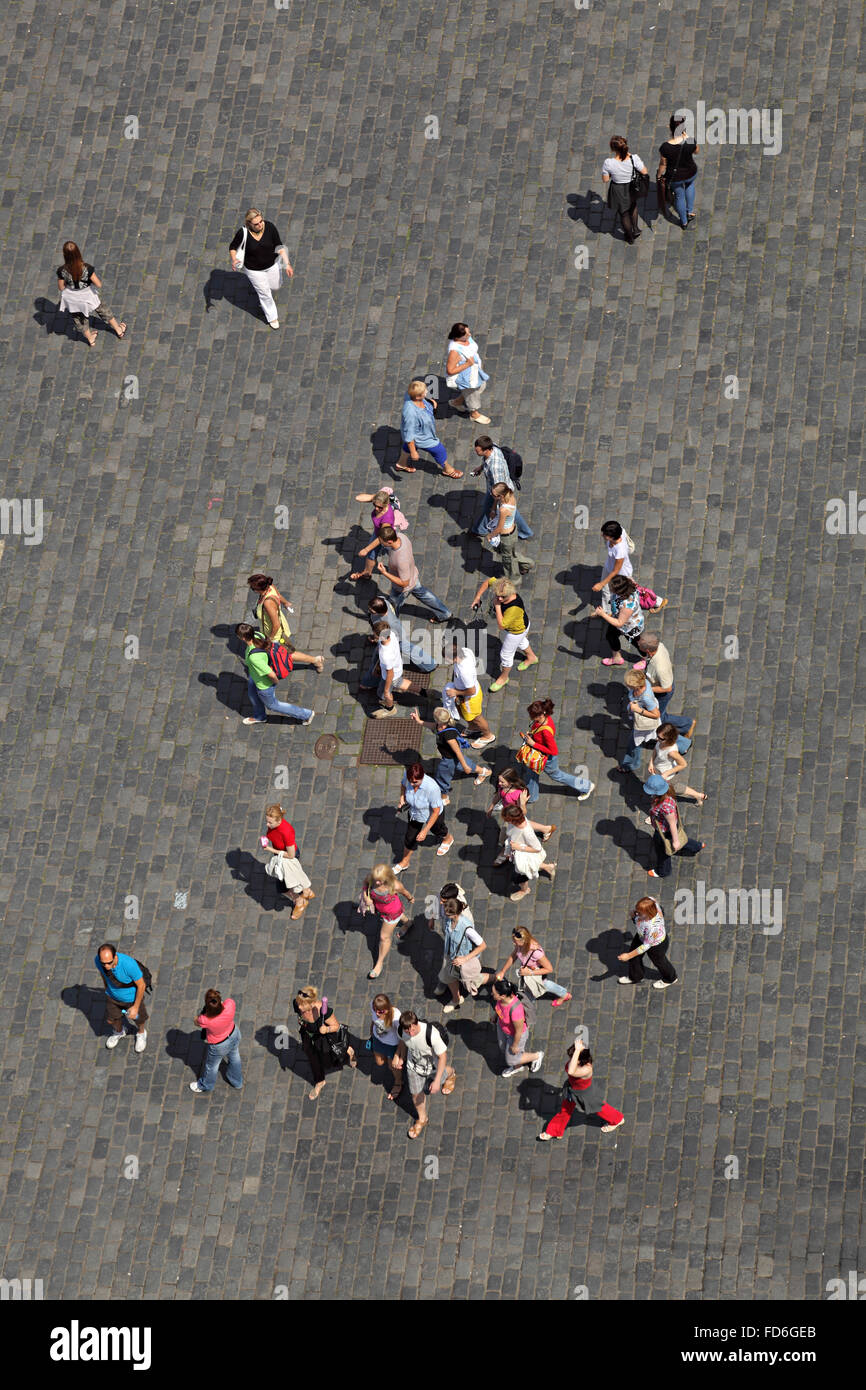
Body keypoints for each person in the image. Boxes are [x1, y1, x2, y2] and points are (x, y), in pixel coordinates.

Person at [537, 1045, 624, 1140]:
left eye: (573, 1056)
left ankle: (617, 1119)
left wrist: (577, 1050)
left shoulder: (587, 1069)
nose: (571, 1059)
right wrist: (578, 1048)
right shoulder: (578, 1062)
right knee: (565, 1110)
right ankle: (555, 1131)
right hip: (572, 1090)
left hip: (585, 1095)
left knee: (599, 1108)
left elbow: (571, 1071)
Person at [516, 698, 594, 803]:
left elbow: (553, 751)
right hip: (539, 754)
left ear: (541, 715)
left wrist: (533, 743)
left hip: (547, 759)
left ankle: (586, 786)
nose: (531, 718)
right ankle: (531, 796)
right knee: (531, 771)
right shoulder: (543, 720)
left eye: (533, 716)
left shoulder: (546, 732)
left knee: (557, 775)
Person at [234, 624, 315, 726]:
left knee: (273, 705)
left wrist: (274, 683)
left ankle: (306, 715)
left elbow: (271, 675)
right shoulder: (258, 635)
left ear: (243, 638)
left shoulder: (254, 658)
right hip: (255, 677)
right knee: (252, 694)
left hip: (264, 685)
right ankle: (260, 716)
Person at [469, 577, 538, 691]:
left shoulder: (514, 607)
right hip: (521, 625)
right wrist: (477, 597)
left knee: (505, 655)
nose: (499, 598)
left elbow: (501, 625)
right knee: (521, 642)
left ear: (510, 593)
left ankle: (503, 677)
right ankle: (531, 657)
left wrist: (497, 605)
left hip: (516, 631)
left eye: (503, 597)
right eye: (497, 595)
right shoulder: (501, 586)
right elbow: (487, 582)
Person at [229, 208, 293, 329]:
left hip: (272, 264)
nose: (260, 225)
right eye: (256, 224)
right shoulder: (243, 233)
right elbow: (233, 247)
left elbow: (279, 246)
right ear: (249, 224)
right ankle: (272, 317)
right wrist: (234, 259)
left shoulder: (269, 227)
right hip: (254, 270)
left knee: (276, 286)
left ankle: (267, 285)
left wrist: (287, 264)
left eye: (261, 221)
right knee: (265, 294)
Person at [409, 706, 492, 799]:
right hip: (451, 756)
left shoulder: (449, 737)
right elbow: (432, 726)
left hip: (449, 759)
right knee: (460, 763)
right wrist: (419, 721)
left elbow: (457, 751)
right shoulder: (440, 725)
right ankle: (483, 772)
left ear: (439, 721)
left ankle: (444, 797)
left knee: (442, 777)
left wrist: (465, 766)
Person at [397, 1012, 456, 1139]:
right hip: (413, 1067)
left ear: (416, 1023)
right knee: (416, 1094)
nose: (411, 1034)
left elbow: (442, 1057)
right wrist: (399, 1056)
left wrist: (437, 1080)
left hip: (433, 1068)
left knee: (443, 1075)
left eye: (412, 1030)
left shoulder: (431, 1034)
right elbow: (403, 1042)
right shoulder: (402, 1031)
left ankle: (451, 1074)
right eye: (407, 1031)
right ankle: (422, 1118)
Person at [247, 574, 323, 671]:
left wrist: (269, 639)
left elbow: (276, 624)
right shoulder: (270, 587)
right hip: (271, 631)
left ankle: (316, 660)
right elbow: (278, 596)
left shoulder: (267, 603)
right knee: (283, 653)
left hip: (276, 636)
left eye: (253, 588)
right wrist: (286, 603)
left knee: (288, 654)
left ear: (259, 589)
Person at [376, 526, 452, 623]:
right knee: (423, 593)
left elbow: (404, 583)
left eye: (382, 542)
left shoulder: (401, 560)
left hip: (402, 589)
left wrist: (385, 573)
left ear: (389, 542)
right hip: (413, 575)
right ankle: (445, 613)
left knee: (393, 605)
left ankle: (390, 626)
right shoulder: (401, 536)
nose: (381, 544)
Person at [56, 241, 126, 346]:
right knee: (102, 310)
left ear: (65, 255)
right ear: (78, 253)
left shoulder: (62, 271)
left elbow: (61, 287)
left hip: (73, 299)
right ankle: (118, 330)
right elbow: (98, 284)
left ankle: (90, 339)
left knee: (79, 319)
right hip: (88, 295)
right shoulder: (87, 268)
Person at [293, 986, 356, 1101]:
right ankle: (320, 1081)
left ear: (311, 1004)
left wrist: (326, 1029)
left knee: (332, 1056)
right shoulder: (297, 1004)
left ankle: (349, 1051)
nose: (299, 1007)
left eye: (302, 1005)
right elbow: (299, 1015)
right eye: (299, 1003)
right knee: (312, 1057)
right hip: (308, 1035)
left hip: (324, 1038)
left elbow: (336, 1026)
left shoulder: (323, 1010)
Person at [393, 762, 455, 871]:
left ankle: (448, 839)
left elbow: (435, 812)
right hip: (415, 813)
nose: (411, 784)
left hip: (432, 815)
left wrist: (425, 831)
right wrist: (402, 798)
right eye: (410, 781)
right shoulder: (408, 777)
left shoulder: (432, 788)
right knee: (410, 837)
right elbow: (403, 784)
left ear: (422, 777)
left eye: (415, 782)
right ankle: (405, 861)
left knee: (438, 830)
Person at [490, 926, 572, 1006]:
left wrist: (530, 972)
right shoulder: (519, 945)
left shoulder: (536, 953)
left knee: (545, 985)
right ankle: (528, 1002)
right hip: (527, 974)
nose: (513, 943)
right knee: (532, 990)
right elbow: (514, 955)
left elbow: (549, 969)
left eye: (515, 942)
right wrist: (503, 971)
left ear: (524, 941)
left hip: (536, 975)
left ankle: (564, 995)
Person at [396, 379, 463, 478]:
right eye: (424, 392)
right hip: (422, 437)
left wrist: (429, 403)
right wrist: (414, 452)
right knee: (439, 450)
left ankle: (401, 464)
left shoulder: (411, 395)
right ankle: (448, 470)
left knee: (408, 447)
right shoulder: (411, 414)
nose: (427, 392)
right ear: (418, 396)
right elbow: (409, 435)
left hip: (422, 431)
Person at [643, 774, 706, 878]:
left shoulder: (666, 807)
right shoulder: (666, 789)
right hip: (664, 827)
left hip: (664, 830)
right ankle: (697, 846)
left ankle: (663, 871)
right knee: (681, 840)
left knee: (663, 850)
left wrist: (676, 841)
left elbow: (672, 823)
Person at [469, 437, 532, 539]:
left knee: (506, 510)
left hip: (499, 491)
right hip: (496, 489)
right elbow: (487, 461)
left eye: (478, 451)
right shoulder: (492, 446)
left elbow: (499, 489)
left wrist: (494, 506)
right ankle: (480, 529)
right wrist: (481, 468)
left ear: (486, 450)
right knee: (492, 508)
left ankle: (480, 530)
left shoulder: (495, 469)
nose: (476, 452)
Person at [360, 864, 415, 978]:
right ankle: (408, 922)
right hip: (381, 909)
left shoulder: (395, 885)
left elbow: (405, 892)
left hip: (392, 913)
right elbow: (365, 883)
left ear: (387, 878)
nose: (376, 883)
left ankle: (379, 963)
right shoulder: (372, 877)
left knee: (384, 937)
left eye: (379, 881)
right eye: (375, 880)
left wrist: (410, 898)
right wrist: (366, 897)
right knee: (400, 918)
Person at [433, 896, 487, 1012]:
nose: (445, 916)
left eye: (448, 915)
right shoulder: (450, 919)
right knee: (448, 976)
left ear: (455, 914)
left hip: (464, 961)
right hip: (450, 957)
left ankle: (495, 978)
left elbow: (482, 945)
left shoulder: (467, 928)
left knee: (476, 980)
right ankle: (456, 999)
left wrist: (465, 959)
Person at [262, 803, 316, 920]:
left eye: (270, 822)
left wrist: (270, 849)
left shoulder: (286, 831)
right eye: (267, 821)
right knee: (293, 879)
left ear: (278, 820)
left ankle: (300, 902)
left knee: (283, 888)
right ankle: (306, 891)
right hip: (280, 856)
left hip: (287, 858)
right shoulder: (274, 825)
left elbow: (291, 855)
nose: (267, 824)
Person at [487, 769, 555, 860]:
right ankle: (547, 829)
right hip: (508, 813)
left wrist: (522, 803)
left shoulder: (518, 794)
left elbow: (522, 813)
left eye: (502, 781)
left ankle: (505, 852)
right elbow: (499, 796)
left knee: (503, 837)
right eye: (499, 781)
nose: (499, 783)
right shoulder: (503, 787)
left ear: (510, 782)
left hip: (513, 816)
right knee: (525, 823)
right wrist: (491, 807)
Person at [635, 632, 695, 734]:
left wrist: (646, 689)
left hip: (662, 692)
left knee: (659, 716)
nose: (638, 645)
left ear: (648, 650)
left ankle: (687, 724)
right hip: (656, 683)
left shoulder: (660, 668)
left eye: (639, 645)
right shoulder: (659, 646)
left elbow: (667, 688)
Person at [441, 638, 495, 749]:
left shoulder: (464, 671)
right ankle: (473, 727)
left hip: (470, 699)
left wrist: (455, 692)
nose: (445, 660)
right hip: (466, 693)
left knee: (476, 718)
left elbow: (471, 690)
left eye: (446, 658)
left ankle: (488, 735)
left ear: (455, 657)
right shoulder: (465, 651)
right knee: (466, 714)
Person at [95, 944, 148, 1053]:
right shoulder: (98, 961)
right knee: (111, 1019)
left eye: (109, 962)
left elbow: (141, 985)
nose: (106, 966)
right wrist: (107, 989)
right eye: (103, 963)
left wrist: (136, 1007)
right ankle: (119, 1032)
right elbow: (103, 975)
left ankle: (141, 1033)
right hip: (112, 997)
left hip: (131, 999)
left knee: (139, 1019)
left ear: (115, 957)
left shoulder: (128, 965)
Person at [617, 894, 678, 987]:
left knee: (660, 962)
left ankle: (671, 978)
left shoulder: (652, 928)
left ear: (649, 914)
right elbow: (652, 898)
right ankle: (635, 976)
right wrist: (635, 915)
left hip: (655, 945)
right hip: (642, 936)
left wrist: (628, 956)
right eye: (637, 911)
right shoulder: (651, 901)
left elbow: (645, 946)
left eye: (639, 913)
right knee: (635, 956)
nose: (637, 913)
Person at [189, 989, 243, 1094]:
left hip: (219, 1045)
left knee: (212, 1066)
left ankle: (205, 1085)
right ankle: (237, 1082)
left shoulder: (205, 1020)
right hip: (234, 1034)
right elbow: (227, 1002)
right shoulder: (230, 1005)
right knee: (235, 1057)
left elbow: (196, 1020)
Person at [491, 979, 544, 1078]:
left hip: (514, 1035)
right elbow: (499, 1007)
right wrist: (495, 1015)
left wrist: (515, 1045)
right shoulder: (501, 999)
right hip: (503, 1027)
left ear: (502, 996)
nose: (491, 994)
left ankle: (536, 1056)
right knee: (503, 1048)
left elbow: (518, 1031)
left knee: (511, 1059)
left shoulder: (516, 1010)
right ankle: (518, 1066)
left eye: (494, 994)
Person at [501, 805, 556, 901]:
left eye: (507, 820)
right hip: (517, 851)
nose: (506, 821)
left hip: (523, 856)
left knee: (520, 876)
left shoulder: (526, 832)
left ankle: (524, 890)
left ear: (514, 820)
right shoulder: (521, 820)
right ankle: (549, 867)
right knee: (531, 866)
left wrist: (519, 847)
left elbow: (537, 848)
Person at [349, 488, 405, 582]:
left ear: (386, 504)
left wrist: (366, 549)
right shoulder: (380, 501)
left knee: (394, 556)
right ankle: (366, 574)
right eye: (374, 505)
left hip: (386, 537)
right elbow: (358, 498)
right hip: (378, 533)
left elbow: (382, 537)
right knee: (371, 555)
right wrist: (374, 497)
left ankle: (403, 573)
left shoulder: (387, 518)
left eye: (380, 507)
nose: (376, 509)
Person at [601, 136, 648, 244]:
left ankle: (630, 237)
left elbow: (605, 179)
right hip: (631, 187)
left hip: (617, 190)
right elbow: (644, 171)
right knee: (633, 206)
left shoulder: (608, 163)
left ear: (613, 149)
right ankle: (635, 228)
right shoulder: (634, 158)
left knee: (624, 213)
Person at [483, 483, 535, 580]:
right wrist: (494, 505)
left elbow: (499, 528)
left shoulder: (504, 509)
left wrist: (490, 536)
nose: (491, 495)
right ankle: (527, 564)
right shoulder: (510, 496)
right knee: (511, 554)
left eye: (493, 494)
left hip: (506, 538)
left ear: (501, 496)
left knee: (507, 560)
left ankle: (514, 579)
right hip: (512, 532)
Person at [658, 113, 699, 230]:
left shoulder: (665, 147)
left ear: (670, 127)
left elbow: (663, 164)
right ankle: (690, 211)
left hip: (675, 177)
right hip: (691, 172)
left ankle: (684, 222)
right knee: (690, 186)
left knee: (679, 196)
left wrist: (659, 175)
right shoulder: (690, 141)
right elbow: (696, 151)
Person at [592, 574, 645, 665]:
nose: (609, 588)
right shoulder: (627, 583)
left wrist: (603, 614)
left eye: (611, 587)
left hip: (630, 627)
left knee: (637, 643)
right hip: (618, 617)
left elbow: (620, 623)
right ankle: (617, 658)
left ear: (618, 591)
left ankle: (646, 659)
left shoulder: (626, 605)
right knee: (610, 636)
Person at [648, 724, 707, 804]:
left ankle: (698, 795)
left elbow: (683, 764)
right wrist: (651, 763)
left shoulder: (672, 752)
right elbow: (656, 749)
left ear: (669, 739)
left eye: (660, 738)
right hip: (659, 771)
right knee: (668, 789)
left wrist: (666, 773)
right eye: (657, 736)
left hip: (668, 776)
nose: (657, 739)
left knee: (677, 789)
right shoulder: (661, 742)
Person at [445, 322, 491, 422]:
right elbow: (450, 370)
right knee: (472, 394)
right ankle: (474, 414)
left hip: (475, 371)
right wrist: (467, 364)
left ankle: (458, 401)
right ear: (458, 337)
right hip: (467, 378)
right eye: (467, 334)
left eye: (468, 332)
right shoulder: (455, 351)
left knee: (481, 387)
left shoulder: (465, 338)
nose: (470, 335)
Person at [617, 670, 661, 775]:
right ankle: (682, 743)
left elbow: (656, 715)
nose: (626, 685)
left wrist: (637, 710)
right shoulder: (644, 682)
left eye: (628, 684)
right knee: (657, 736)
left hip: (644, 723)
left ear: (636, 687)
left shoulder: (646, 698)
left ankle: (632, 764)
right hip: (640, 716)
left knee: (634, 743)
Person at [368, 623, 414, 718]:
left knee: (382, 694)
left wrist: (386, 690)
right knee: (399, 682)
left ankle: (390, 709)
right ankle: (424, 692)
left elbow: (390, 674)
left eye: (375, 635)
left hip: (390, 676)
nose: (374, 635)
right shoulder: (391, 634)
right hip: (398, 666)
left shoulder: (385, 655)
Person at [369, 994, 404, 1101]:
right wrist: (371, 1033)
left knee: (392, 1066)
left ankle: (398, 1082)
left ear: (387, 1009)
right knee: (379, 1062)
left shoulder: (396, 1018)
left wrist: (397, 1056)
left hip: (392, 1045)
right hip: (377, 1039)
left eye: (380, 1011)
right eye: (375, 1009)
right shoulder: (373, 1006)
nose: (377, 1013)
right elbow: (373, 1020)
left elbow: (403, 1039)